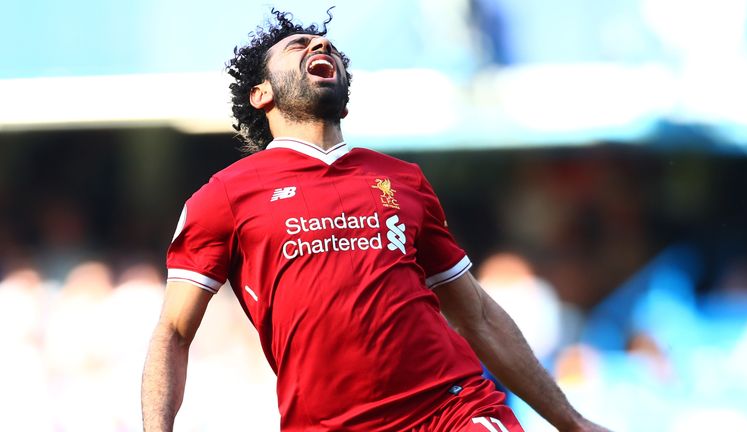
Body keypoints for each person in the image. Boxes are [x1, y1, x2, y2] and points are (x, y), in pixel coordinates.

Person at [141, 9, 610, 432]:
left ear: (344, 98)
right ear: (261, 93)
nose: (320, 47)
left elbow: (479, 316)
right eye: (298, 46)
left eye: (326, 47)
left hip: (451, 411)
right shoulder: (224, 196)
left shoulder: (402, 179)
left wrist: (572, 423)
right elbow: (174, 332)